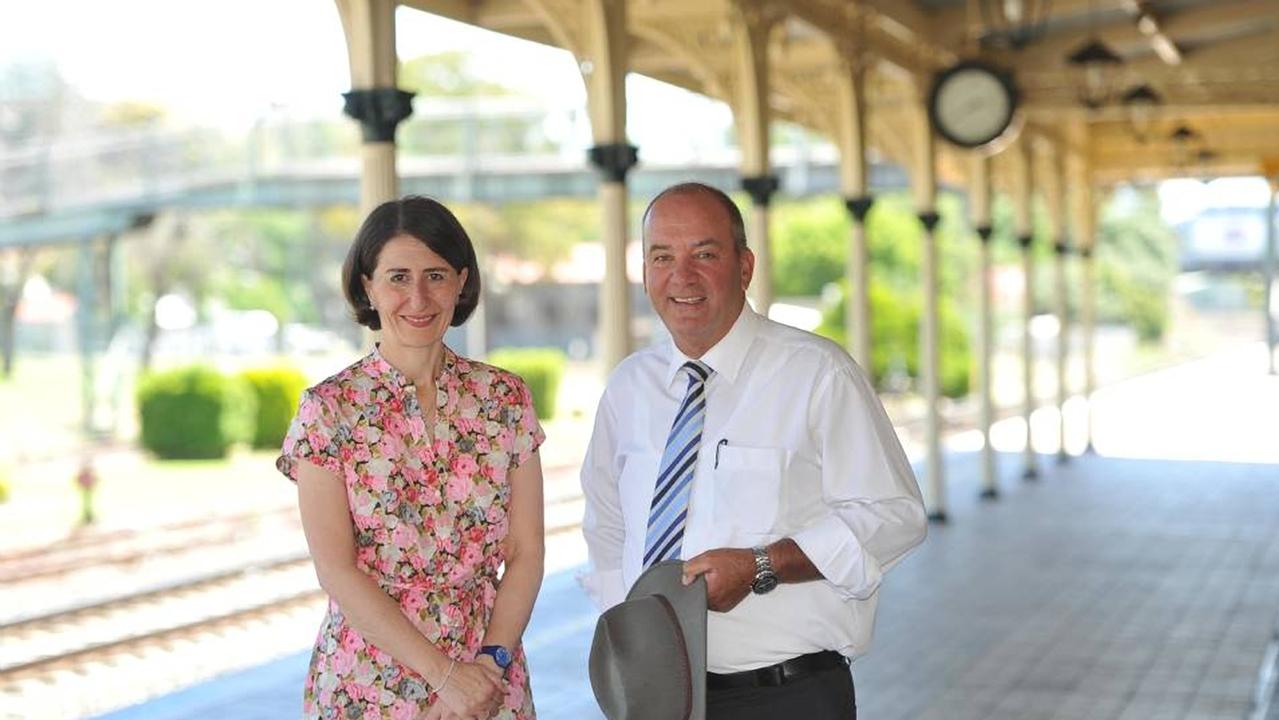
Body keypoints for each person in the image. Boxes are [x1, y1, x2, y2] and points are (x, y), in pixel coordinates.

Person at [580, 182, 927, 719]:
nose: (682, 276)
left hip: (785, 697)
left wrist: (763, 564)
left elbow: (896, 517)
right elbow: (606, 525)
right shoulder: (629, 387)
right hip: (658, 696)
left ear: (744, 267)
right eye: (662, 257)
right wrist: (630, 640)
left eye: (705, 254)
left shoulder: (816, 373)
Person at [278, 195, 545, 720]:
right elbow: (336, 569)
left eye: (436, 275)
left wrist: (486, 669)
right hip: (367, 680)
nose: (418, 297)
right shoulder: (328, 410)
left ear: (462, 282)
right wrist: (445, 677)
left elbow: (527, 552)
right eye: (398, 276)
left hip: (489, 671)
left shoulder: (505, 398)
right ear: (366, 286)